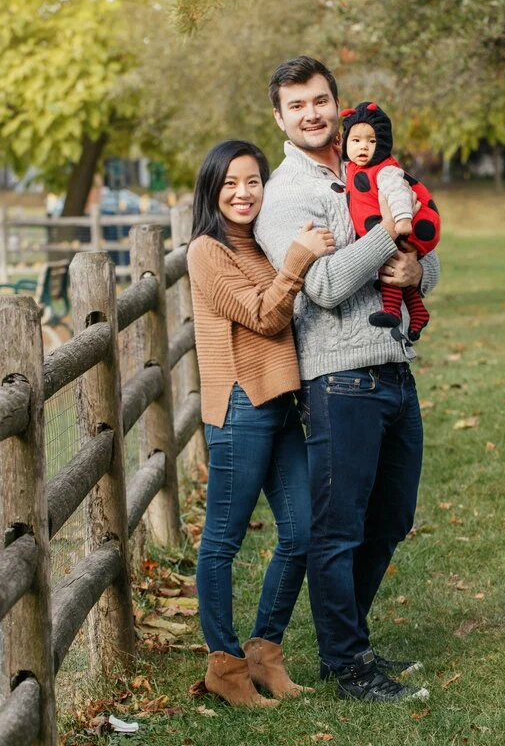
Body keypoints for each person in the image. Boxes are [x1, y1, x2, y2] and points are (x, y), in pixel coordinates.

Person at [255, 57, 440, 703]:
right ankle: (346, 663)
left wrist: (417, 273)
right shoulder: (284, 197)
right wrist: (383, 239)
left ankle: (351, 640)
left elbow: (426, 254)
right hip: (338, 379)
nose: (311, 113)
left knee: (391, 517)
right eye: (297, 105)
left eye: (319, 100)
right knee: (339, 529)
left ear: (336, 104)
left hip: (395, 366)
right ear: (279, 117)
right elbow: (326, 285)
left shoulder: (372, 168)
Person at [187, 139, 334, 708]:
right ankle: (224, 664)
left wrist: (289, 258)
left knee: (301, 533)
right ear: (212, 190)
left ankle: (264, 653)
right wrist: (298, 259)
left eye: (253, 182)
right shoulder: (207, 251)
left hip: (280, 404)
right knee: (222, 542)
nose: (243, 193)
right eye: (230, 183)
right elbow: (263, 315)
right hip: (241, 408)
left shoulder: (264, 247)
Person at [340, 101, 440, 341]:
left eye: (371, 142)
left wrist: (402, 220)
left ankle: (391, 310)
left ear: (381, 143)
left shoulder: (385, 170)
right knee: (397, 266)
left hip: (407, 227)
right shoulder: (352, 167)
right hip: (389, 227)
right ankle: (418, 312)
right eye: (355, 141)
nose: (363, 147)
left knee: (390, 264)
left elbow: (398, 193)